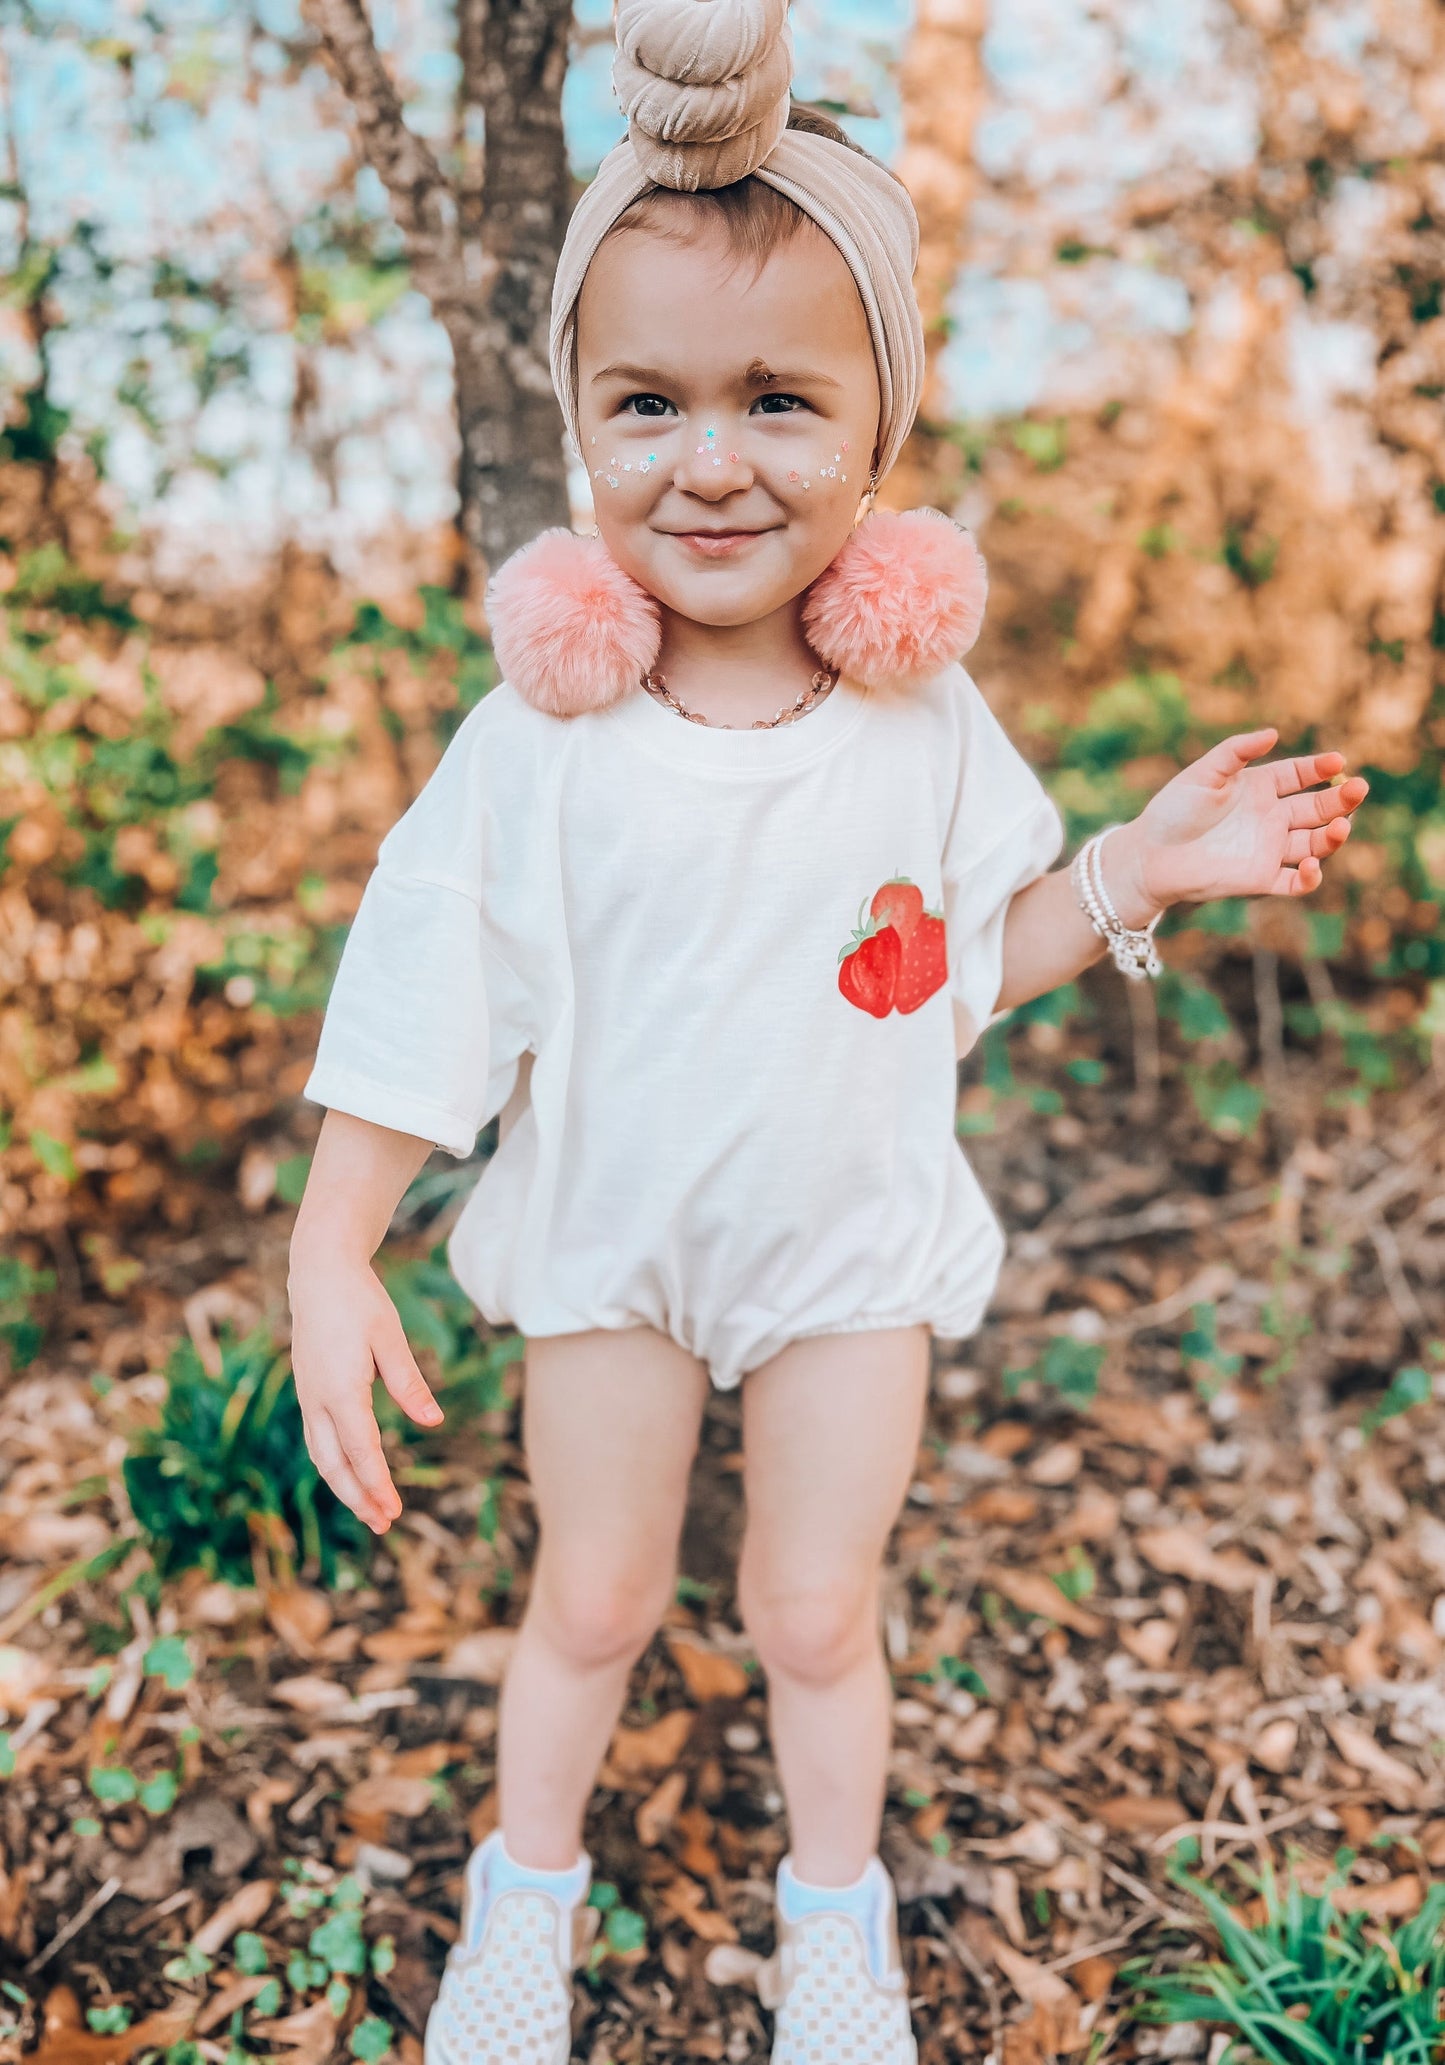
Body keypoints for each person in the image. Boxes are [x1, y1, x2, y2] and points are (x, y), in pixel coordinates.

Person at [287, 6, 1368, 2059]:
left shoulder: (913, 715)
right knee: (592, 1598)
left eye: (781, 400)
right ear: (582, 420)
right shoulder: (544, 735)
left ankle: (835, 1915)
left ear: (880, 429)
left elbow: (976, 951)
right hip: (610, 1244)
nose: (711, 461)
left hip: (847, 1249)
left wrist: (1139, 867)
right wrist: (334, 1243)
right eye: (649, 403)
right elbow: (430, 976)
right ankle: (524, 1906)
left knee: (809, 1607)